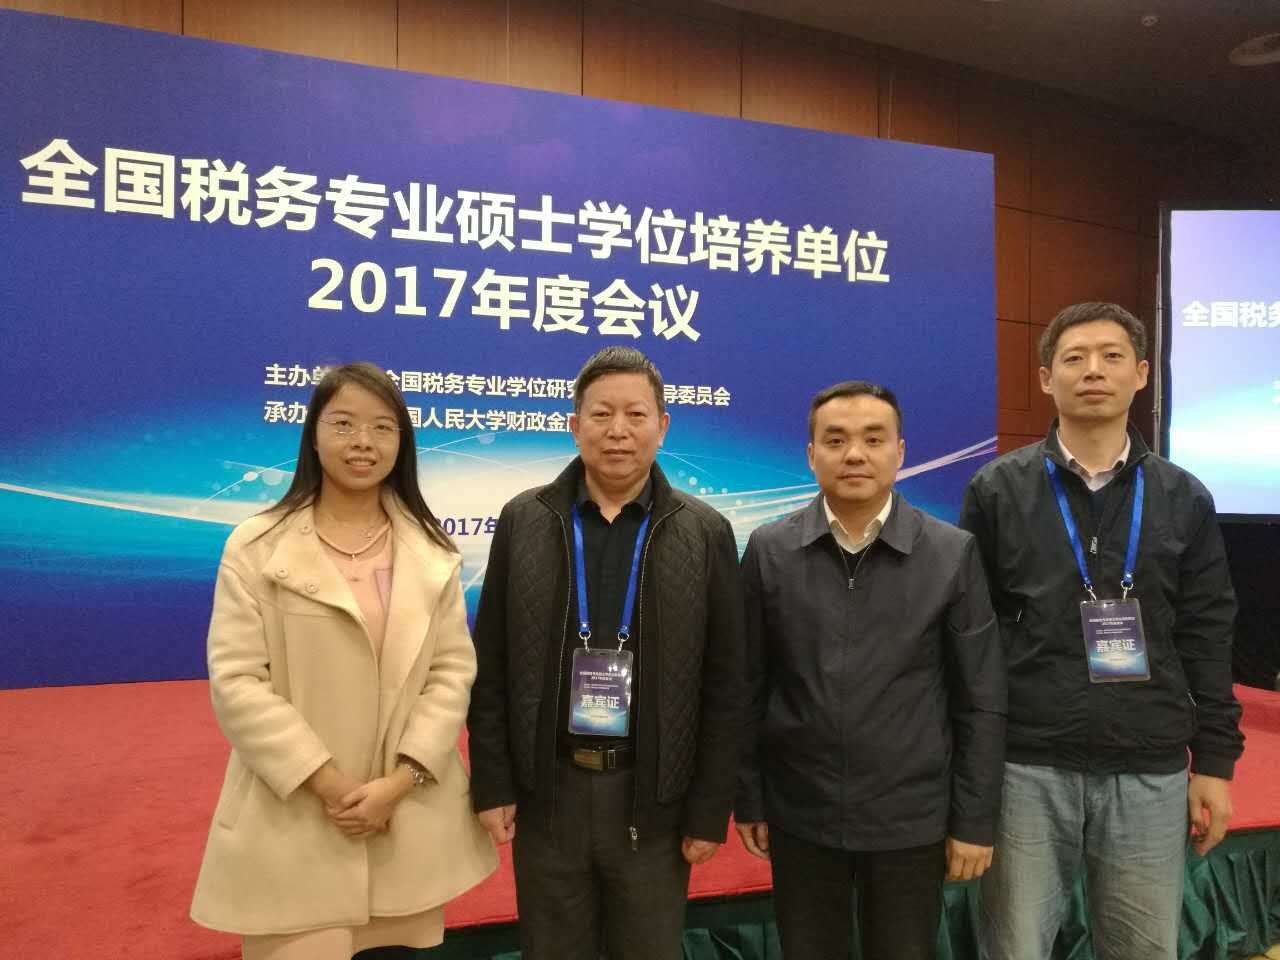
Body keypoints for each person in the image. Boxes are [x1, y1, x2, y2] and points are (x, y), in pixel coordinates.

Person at [959, 303, 1245, 960]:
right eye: (1075, 358)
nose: (1094, 371)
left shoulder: (1183, 496)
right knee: (1014, 949)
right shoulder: (998, 490)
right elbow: (971, 638)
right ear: (1045, 378)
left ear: (1140, 374)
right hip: (1027, 767)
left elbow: (1208, 633)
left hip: (1149, 765)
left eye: (1112, 356)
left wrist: (1216, 762)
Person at [190, 362, 497, 960]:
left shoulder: (431, 549)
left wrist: (400, 782)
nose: (363, 442)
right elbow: (237, 681)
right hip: (296, 816)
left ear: (402, 443)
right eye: (344, 424)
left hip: (405, 821)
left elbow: (451, 673)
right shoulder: (256, 547)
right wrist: (328, 783)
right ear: (313, 435)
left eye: (383, 427)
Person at [466, 346, 744, 960]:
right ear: (574, 424)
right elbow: (491, 669)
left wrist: (707, 811)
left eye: (636, 414)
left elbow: (726, 687)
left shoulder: (704, 532)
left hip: (653, 801)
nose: (618, 430)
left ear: (662, 426)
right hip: (549, 796)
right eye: (601, 414)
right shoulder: (525, 520)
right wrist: (493, 782)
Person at [734, 380, 1006, 960]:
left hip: (910, 819)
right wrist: (751, 799)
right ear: (812, 455)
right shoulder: (770, 550)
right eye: (835, 440)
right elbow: (747, 685)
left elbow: (980, 698)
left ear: (899, 452)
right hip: (800, 814)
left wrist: (974, 819)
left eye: (873, 439)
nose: (854, 454)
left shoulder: (950, 553)